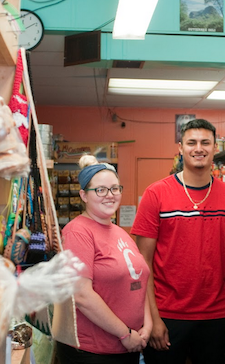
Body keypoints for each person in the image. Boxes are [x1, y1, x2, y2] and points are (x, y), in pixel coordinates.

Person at [132, 119, 225, 364]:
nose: (199, 148)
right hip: (167, 316)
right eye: (192, 142)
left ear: (215, 147)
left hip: (219, 317)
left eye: (205, 142)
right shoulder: (156, 194)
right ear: (180, 147)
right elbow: (143, 263)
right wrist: (152, 319)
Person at [56, 155, 152, 364]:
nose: (109, 195)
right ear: (83, 195)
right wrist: (125, 334)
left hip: (129, 346)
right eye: (100, 190)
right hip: (93, 353)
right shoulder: (77, 232)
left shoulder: (120, 232)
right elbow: (81, 295)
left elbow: (138, 282)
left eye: (115, 188)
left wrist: (148, 324)